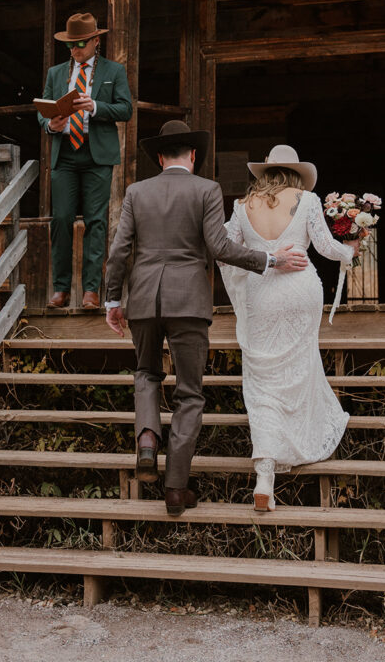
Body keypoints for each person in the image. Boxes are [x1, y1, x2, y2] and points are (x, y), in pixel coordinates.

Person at [104, 121, 308, 516]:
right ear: (193, 156)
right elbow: (220, 247)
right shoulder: (206, 189)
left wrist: (114, 299)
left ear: (160, 158)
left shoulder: (136, 192)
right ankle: (175, 489)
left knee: (145, 373)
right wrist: (271, 260)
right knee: (189, 393)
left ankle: (147, 439)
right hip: (189, 305)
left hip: (143, 301)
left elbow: (119, 252)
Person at [218, 145, 358, 512]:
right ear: (297, 173)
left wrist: (262, 262)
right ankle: (299, 439)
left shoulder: (241, 207)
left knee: (263, 382)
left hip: (261, 294)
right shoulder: (307, 199)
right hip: (301, 290)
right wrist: (351, 251)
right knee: (299, 367)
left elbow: (224, 251)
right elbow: (326, 247)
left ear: (265, 172)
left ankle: (265, 475)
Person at [38, 12, 133, 310]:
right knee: (62, 219)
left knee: (96, 222)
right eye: (70, 45)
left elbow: (125, 109)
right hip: (64, 153)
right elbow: (43, 110)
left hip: (97, 154)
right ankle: (61, 289)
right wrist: (48, 125)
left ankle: (91, 290)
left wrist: (95, 106)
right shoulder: (56, 73)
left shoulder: (113, 70)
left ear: (95, 41)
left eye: (80, 43)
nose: (75, 50)